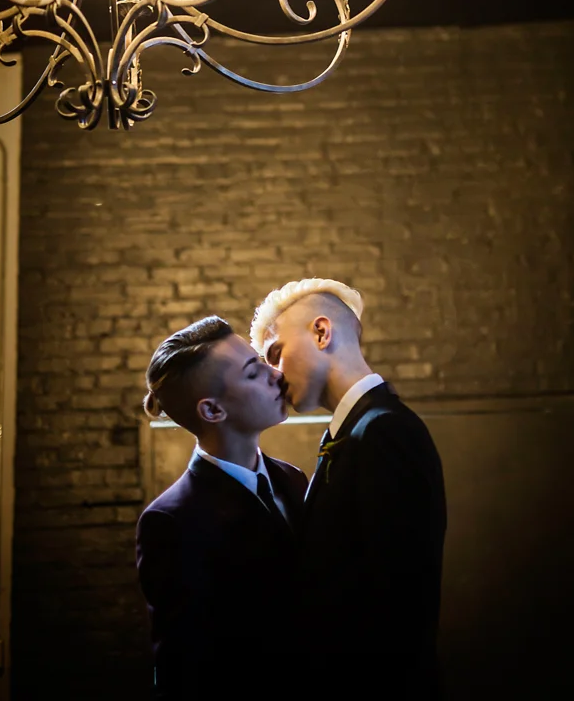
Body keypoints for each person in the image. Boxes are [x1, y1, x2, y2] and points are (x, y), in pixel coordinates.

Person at [251, 278, 447, 696]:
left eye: (276, 353)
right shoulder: (355, 432)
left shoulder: (384, 431)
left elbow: (399, 605)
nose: (273, 375)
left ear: (322, 332)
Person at [136, 316, 306, 696]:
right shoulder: (172, 521)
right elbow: (183, 668)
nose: (277, 375)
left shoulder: (292, 479)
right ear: (212, 411)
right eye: (253, 373)